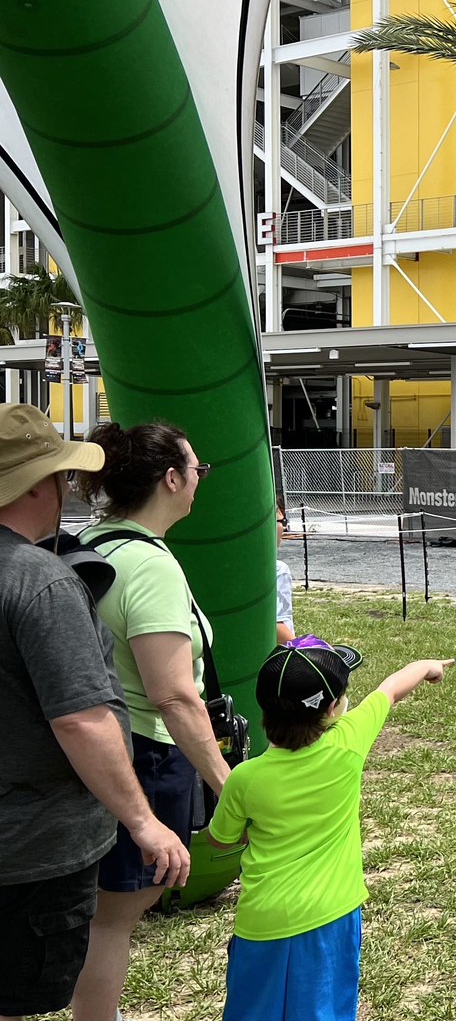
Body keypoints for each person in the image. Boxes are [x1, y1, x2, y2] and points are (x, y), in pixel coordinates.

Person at [0, 405, 190, 1021]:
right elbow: (81, 718)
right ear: (36, 483)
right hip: (28, 848)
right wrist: (143, 821)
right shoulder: (40, 581)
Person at [71, 421, 232, 1021]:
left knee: (106, 911)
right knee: (115, 915)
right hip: (147, 755)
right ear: (171, 478)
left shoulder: (95, 542)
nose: (199, 481)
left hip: (101, 750)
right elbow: (174, 695)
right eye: (198, 470)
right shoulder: (152, 566)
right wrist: (226, 781)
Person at [207, 640, 451, 1021]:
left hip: (262, 920)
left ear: (264, 711)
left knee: (251, 1011)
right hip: (331, 917)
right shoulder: (348, 742)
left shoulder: (244, 778)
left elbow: (220, 838)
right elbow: (389, 689)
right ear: (333, 708)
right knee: (324, 1011)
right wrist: (427, 665)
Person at [275, 498, 295, 645]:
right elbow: (274, 625)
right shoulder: (279, 569)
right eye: (280, 522)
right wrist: (312, 651)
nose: (283, 527)